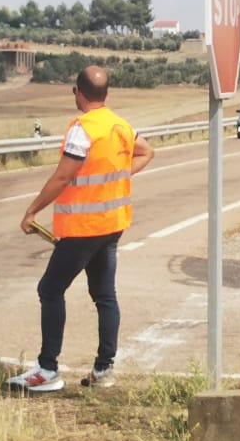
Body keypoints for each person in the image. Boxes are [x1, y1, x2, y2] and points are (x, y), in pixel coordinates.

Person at [9, 66, 156, 392]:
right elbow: (147, 151)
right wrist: (115, 181)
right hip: (112, 225)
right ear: (106, 94)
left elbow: (63, 177)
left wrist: (32, 211)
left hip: (82, 228)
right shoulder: (120, 125)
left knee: (49, 290)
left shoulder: (81, 129)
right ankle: (104, 370)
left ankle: (47, 370)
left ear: (78, 92)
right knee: (105, 296)